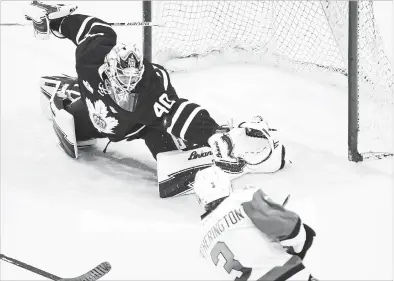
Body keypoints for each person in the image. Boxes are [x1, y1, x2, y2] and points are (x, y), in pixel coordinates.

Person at [25, 2, 287, 197]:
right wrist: (57, 22)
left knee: (173, 169)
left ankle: (231, 136)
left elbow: (178, 113)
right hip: (99, 117)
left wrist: (212, 134)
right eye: (123, 82)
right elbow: (92, 28)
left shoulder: (149, 94)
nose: (128, 88)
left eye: (133, 81)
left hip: (143, 125)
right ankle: (71, 90)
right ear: (108, 72)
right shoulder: (91, 56)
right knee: (69, 119)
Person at [192, 164, 318, 281]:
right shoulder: (243, 199)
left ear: (200, 197)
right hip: (284, 275)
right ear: (227, 184)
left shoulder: (200, 239)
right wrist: (299, 245)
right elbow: (292, 230)